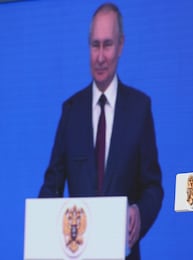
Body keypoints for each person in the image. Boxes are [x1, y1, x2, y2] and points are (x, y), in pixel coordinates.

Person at [38, 3, 163, 260]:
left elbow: (153, 186)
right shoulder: (70, 111)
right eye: (95, 45)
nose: (101, 56)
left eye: (107, 44)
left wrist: (139, 212)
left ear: (121, 46)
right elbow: (51, 187)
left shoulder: (139, 108)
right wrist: (42, 228)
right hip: (76, 253)